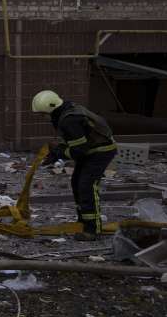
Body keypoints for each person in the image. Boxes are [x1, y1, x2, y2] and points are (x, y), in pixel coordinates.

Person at [32, 90, 117, 240]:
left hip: (100, 151)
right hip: (91, 150)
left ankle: (92, 229)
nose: (42, 117)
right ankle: (83, 221)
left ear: (50, 108)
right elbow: (73, 141)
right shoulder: (64, 112)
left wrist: (59, 153)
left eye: (42, 114)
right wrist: (56, 153)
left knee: (86, 185)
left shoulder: (68, 120)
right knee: (76, 182)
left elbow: (79, 151)